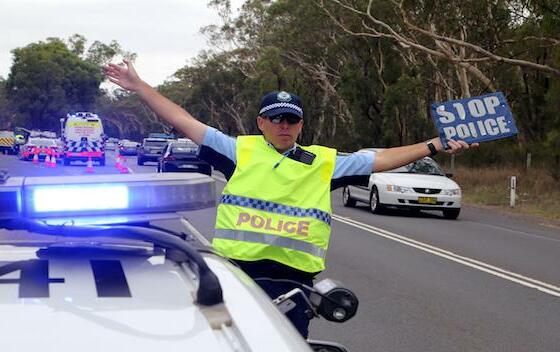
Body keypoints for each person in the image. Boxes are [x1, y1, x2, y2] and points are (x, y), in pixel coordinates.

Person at [104, 60, 477, 338]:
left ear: (301, 125)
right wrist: (140, 88)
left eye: (291, 120)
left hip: (294, 285)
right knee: (231, 350)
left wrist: (435, 145)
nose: (284, 125)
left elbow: (380, 158)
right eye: (276, 119)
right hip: (236, 276)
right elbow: (183, 119)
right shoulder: (239, 152)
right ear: (261, 123)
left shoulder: (324, 163)